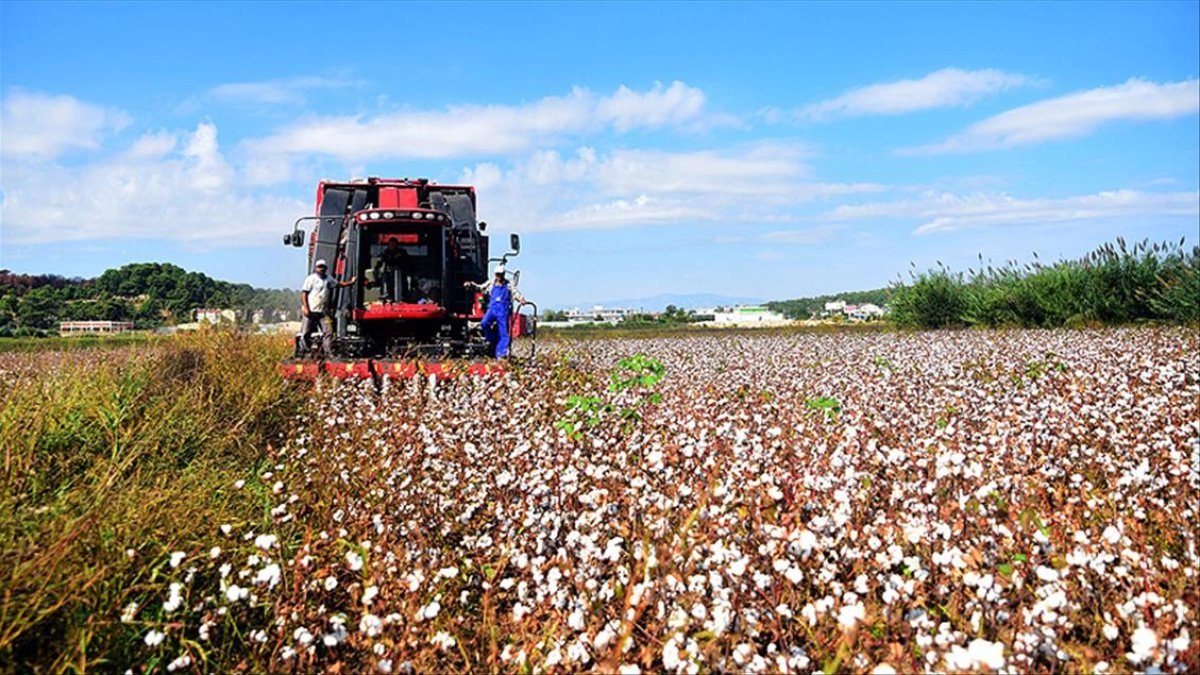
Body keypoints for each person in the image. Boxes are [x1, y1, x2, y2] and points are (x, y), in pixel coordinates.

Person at [464, 265, 525, 359]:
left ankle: (501, 355)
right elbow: (480, 288)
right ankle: (491, 339)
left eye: (500, 275)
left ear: (503, 274)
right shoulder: (491, 283)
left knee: (504, 334)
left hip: (503, 311)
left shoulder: (508, 285)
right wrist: (471, 284)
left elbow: (515, 293)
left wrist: (521, 299)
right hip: (492, 309)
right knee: (484, 323)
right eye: (497, 274)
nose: (499, 277)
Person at [300, 259, 355, 356]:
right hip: (310, 310)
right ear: (316, 268)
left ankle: (328, 351)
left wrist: (350, 282)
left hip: (322, 312)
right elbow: (304, 293)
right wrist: (306, 308)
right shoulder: (310, 279)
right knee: (306, 332)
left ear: (326, 268)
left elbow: (338, 284)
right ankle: (304, 351)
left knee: (328, 331)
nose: (321, 269)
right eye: (319, 267)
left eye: (323, 267)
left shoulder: (328, 278)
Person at [376, 239, 408, 303]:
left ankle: (403, 298)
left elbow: (407, 262)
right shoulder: (385, 252)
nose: (392, 246)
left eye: (394, 244)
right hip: (388, 273)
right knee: (387, 284)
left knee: (403, 285)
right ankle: (388, 297)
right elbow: (380, 262)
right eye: (391, 244)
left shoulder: (402, 252)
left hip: (401, 273)